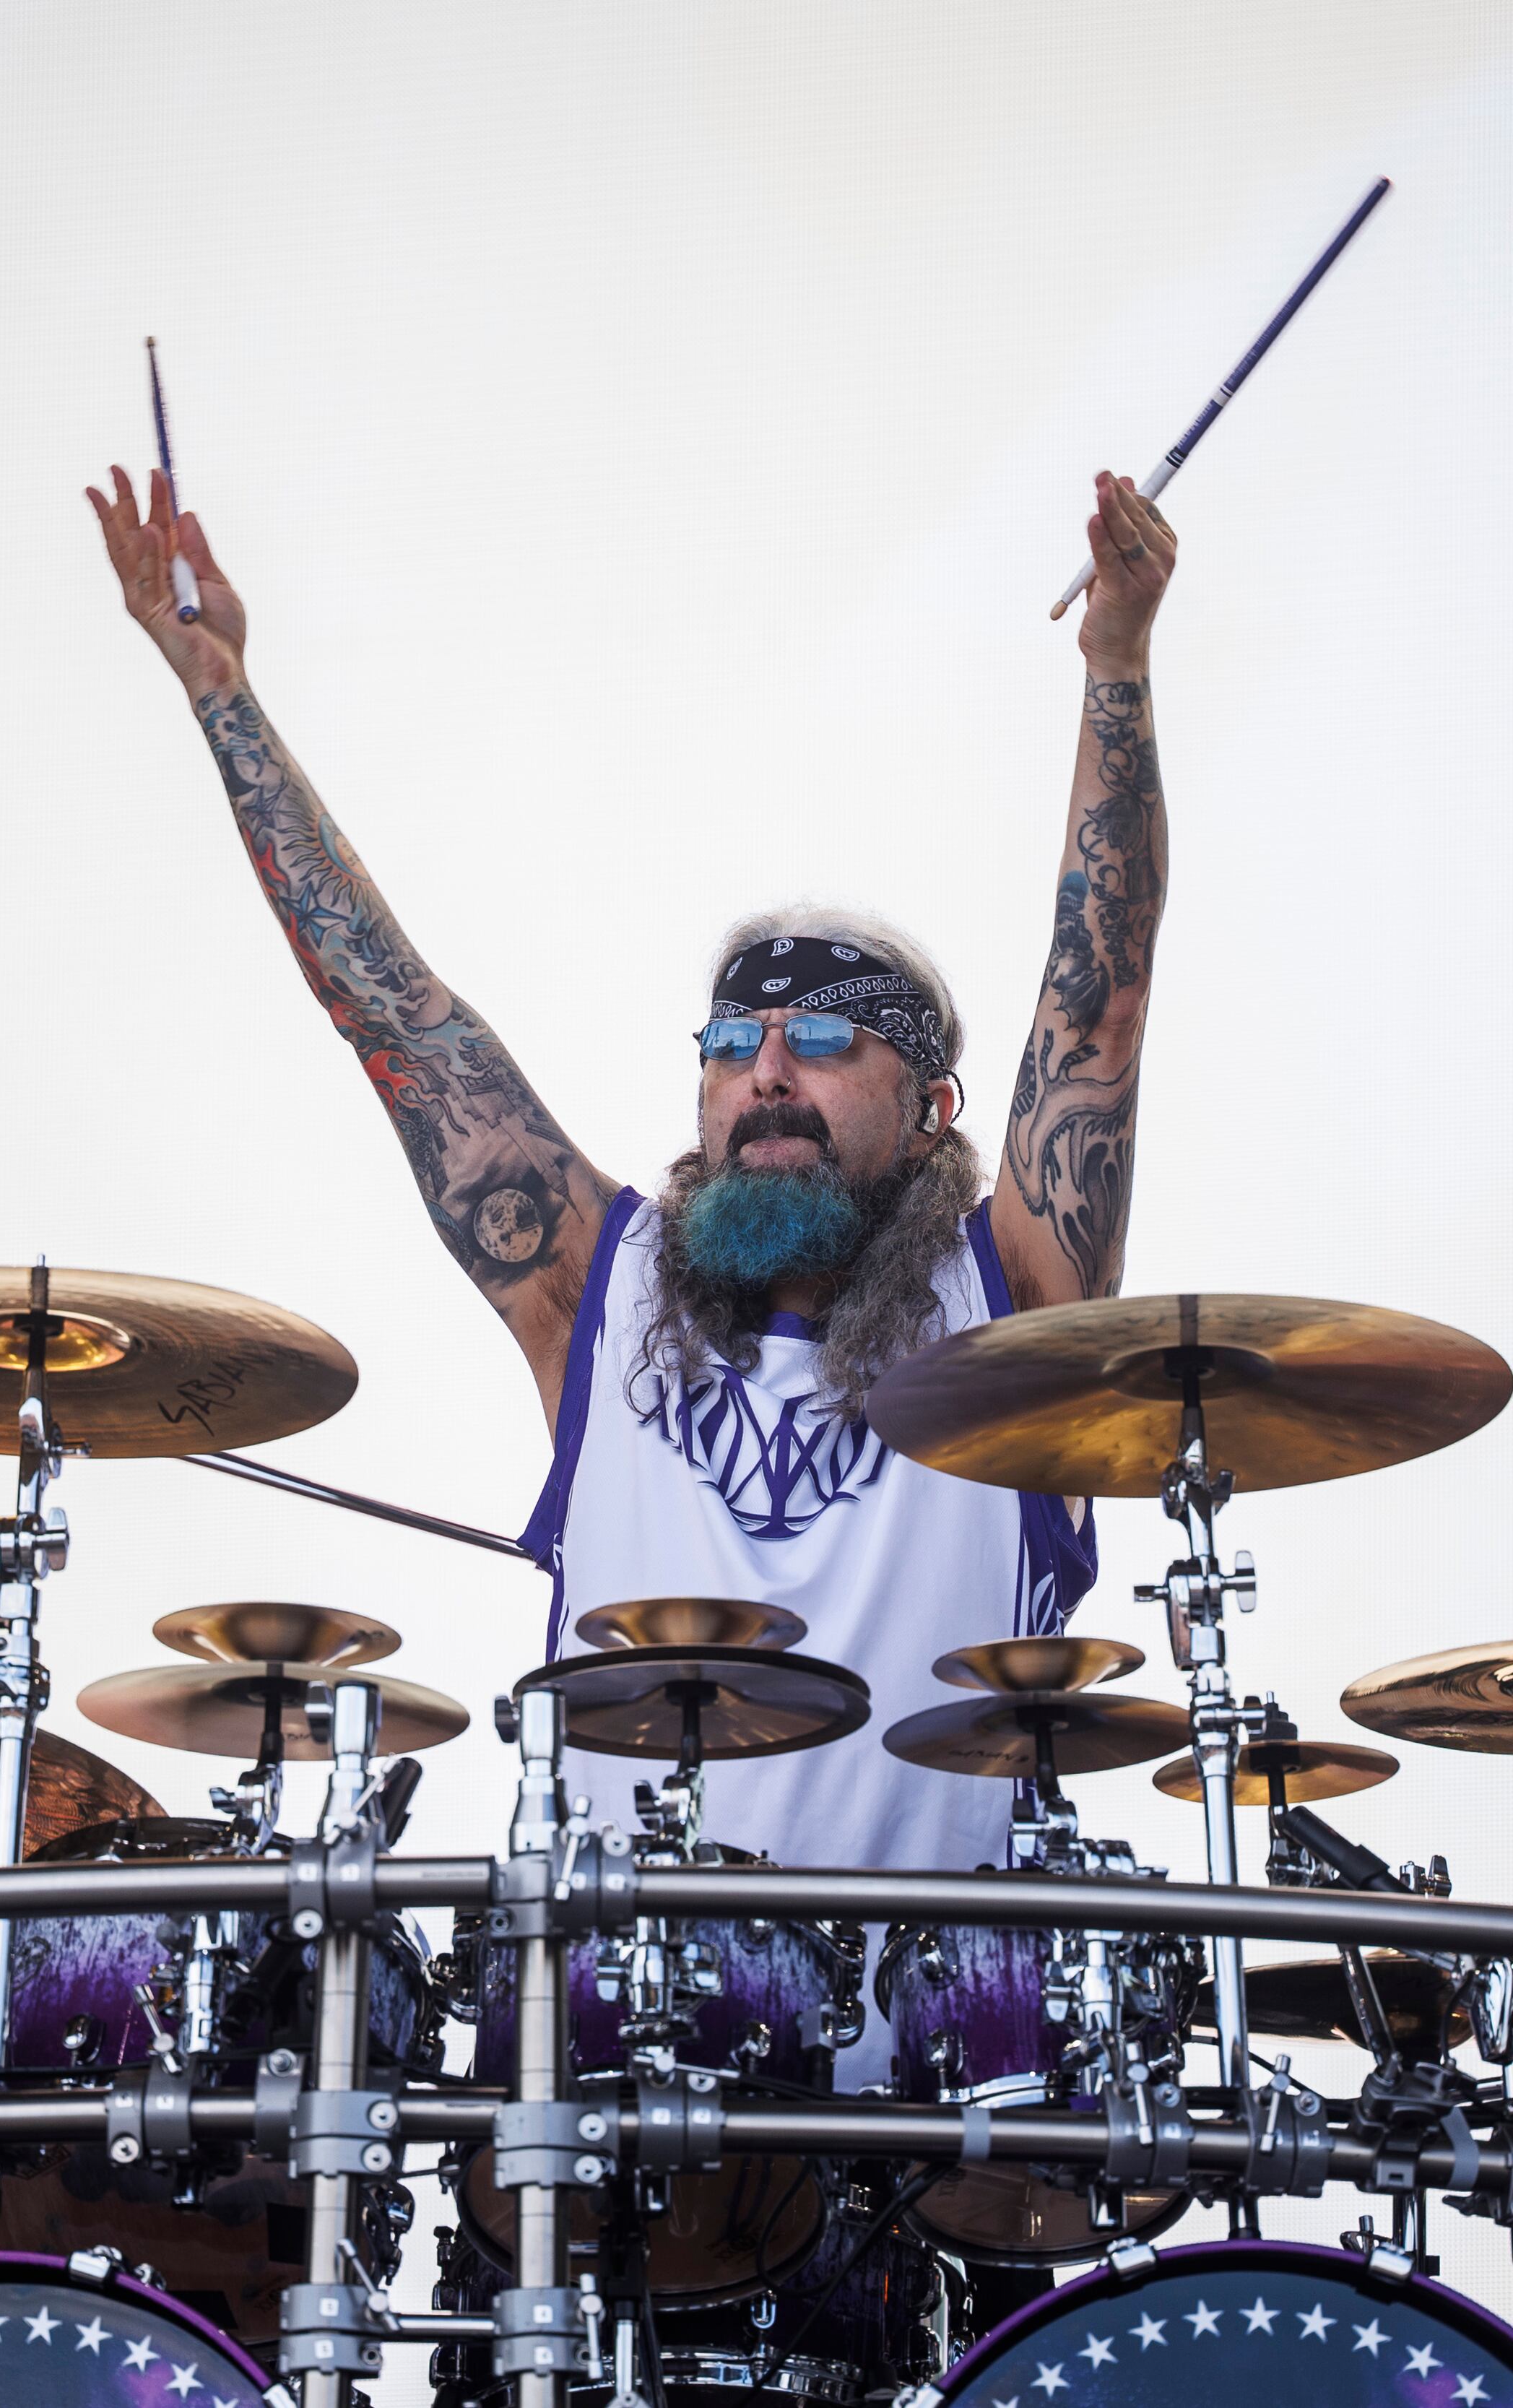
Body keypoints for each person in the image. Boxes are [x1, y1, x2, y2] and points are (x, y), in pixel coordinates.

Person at [87, 459, 1176, 1886]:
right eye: (732, 1041)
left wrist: (1115, 663)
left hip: (949, 2082)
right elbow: (394, 1011)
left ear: (929, 1106)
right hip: (612, 2064)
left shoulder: (1012, 1297)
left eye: (826, 1040)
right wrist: (220, 694)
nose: (767, 1071)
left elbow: (1097, 999)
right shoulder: (594, 1287)